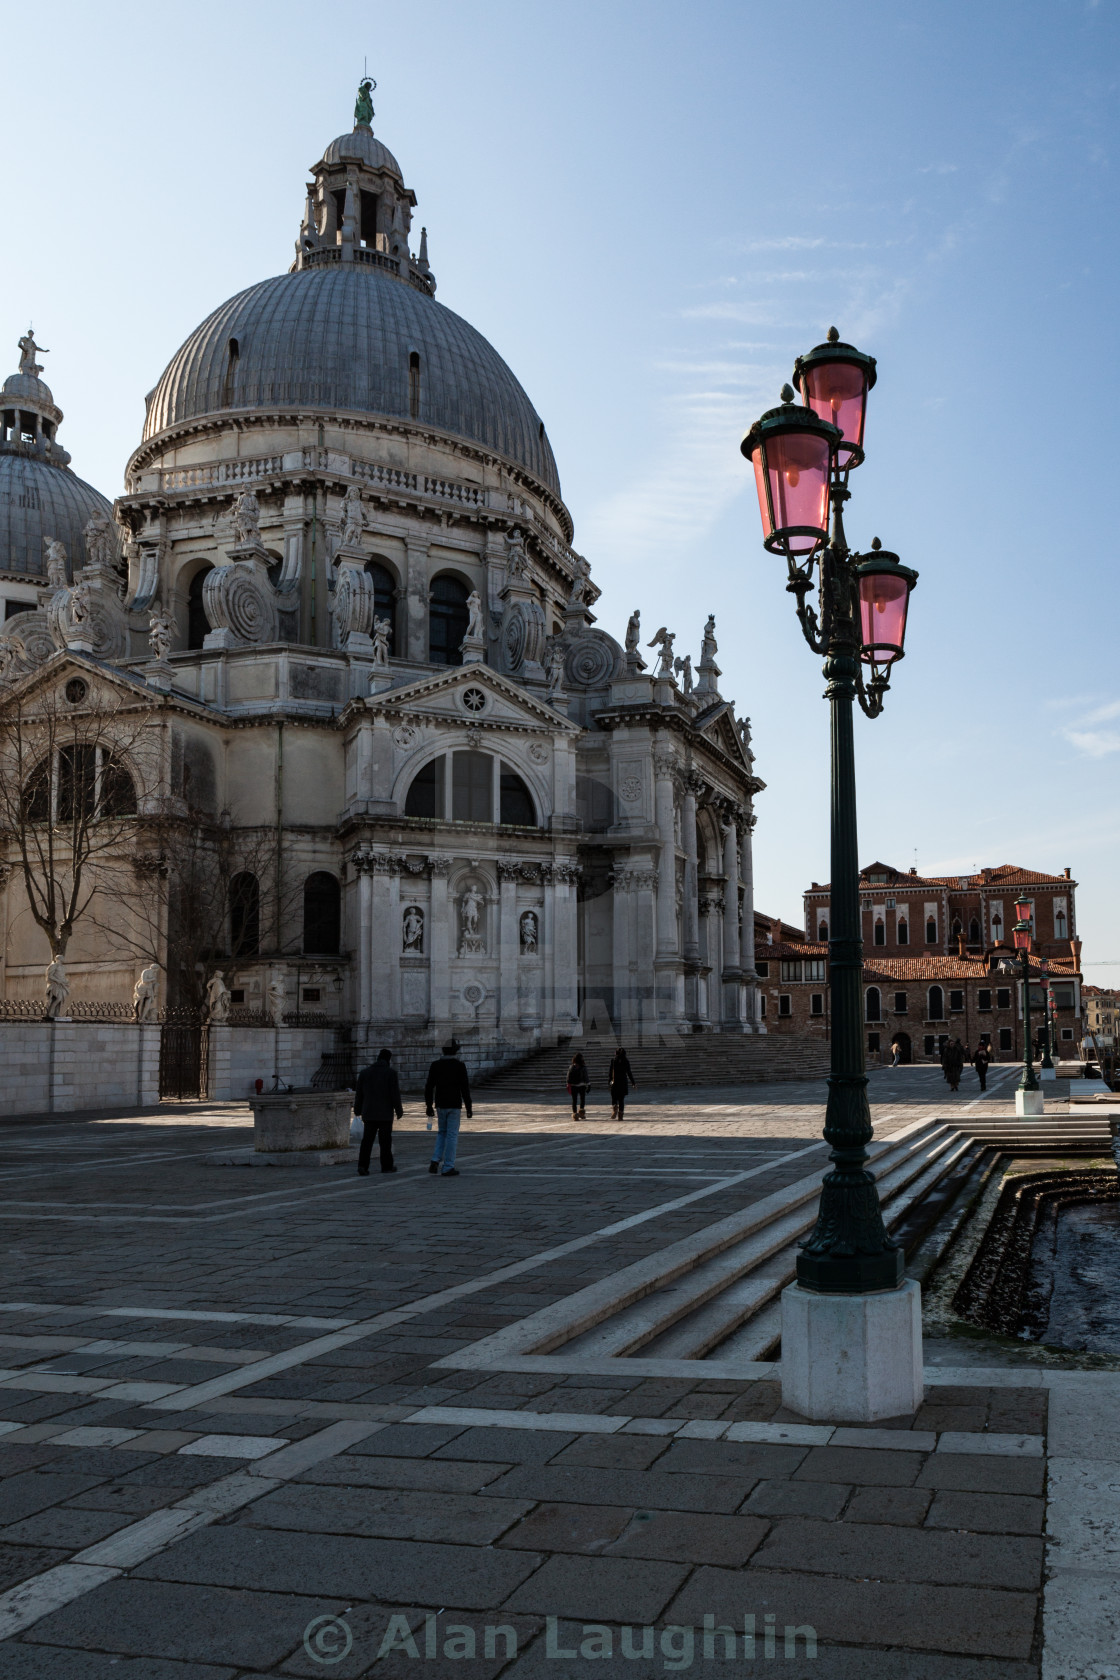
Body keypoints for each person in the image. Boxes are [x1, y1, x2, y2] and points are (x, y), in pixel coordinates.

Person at [354, 1047, 404, 1175]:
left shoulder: (365, 1073)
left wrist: (357, 1109)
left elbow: (359, 1094)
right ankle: (387, 1166)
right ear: (388, 1059)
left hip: (369, 1112)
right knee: (385, 1141)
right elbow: (395, 1094)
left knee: (367, 1141)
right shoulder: (391, 1073)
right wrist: (399, 1110)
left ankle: (363, 1166)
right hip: (385, 1114)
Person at [424, 1042, 472, 1176]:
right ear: (455, 1051)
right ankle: (448, 1166)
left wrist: (428, 1106)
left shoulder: (436, 1065)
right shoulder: (459, 1066)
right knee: (452, 1135)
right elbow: (465, 1088)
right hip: (454, 1104)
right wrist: (469, 1107)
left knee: (442, 1133)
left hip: (440, 1103)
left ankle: (435, 1159)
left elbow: (429, 1087)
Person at [608, 1046, 636, 1120]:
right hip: (623, 1082)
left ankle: (615, 1108)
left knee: (614, 1097)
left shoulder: (613, 1060)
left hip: (615, 1082)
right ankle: (620, 1115)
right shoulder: (626, 1061)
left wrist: (609, 1081)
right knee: (621, 1099)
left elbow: (610, 1072)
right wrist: (633, 1083)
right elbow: (629, 1072)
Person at [567, 1051, 590, 1119]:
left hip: (573, 1085)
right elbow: (586, 1077)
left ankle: (575, 1114)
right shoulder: (583, 1067)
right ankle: (581, 1113)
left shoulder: (571, 1067)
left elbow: (568, 1076)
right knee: (582, 1099)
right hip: (582, 1085)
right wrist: (588, 1084)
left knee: (574, 1101)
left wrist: (568, 1083)